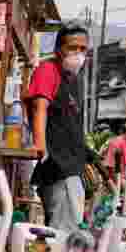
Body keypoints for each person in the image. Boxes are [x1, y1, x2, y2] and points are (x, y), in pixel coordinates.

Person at [25, 24, 93, 233]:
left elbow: (70, 124)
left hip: (72, 166)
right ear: (58, 49)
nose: (79, 53)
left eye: (83, 49)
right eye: (73, 47)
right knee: (63, 236)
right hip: (59, 167)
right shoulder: (48, 70)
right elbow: (40, 107)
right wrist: (40, 146)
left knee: (66, 233)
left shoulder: (74, 79)